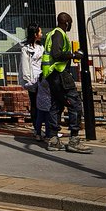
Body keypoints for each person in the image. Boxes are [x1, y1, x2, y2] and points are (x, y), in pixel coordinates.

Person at [41, 12, 92, 153]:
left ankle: (53, 139)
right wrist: (74, 55)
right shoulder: (59, 34)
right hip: (61, 75)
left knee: (56, 106)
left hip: (52, 76)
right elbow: (56, 54)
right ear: (67, 23)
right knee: (75, 105)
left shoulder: (52, 34)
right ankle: (74, 140)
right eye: (70, 23)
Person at [17, 23, 45, 138]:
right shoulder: (26, 49)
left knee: (43, 103)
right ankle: (37, 129)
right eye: (40, 32)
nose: (42, 34)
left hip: (41, 77)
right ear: (35, 34)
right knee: (35, 103)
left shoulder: (41, 47)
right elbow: (25, 65)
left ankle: (43, 127)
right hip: (32, 79)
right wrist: (28, 80)